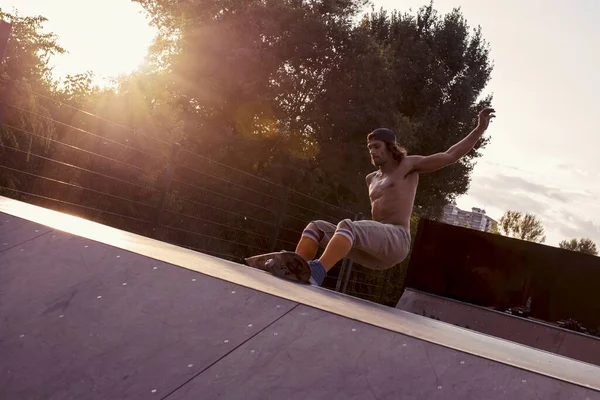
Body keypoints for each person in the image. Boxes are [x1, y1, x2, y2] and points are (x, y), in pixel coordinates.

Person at [295, 107, 496, 286]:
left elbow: (451, 155)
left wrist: (479, 130)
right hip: (375, 248)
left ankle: (317, 272)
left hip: (397, 240)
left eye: (377, 146)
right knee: (316, 228)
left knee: (347, 225)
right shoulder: (371, 178)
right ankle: (295, 270)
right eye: (370, 148)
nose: (372, 152)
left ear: (390, 147)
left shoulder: (408, 165)